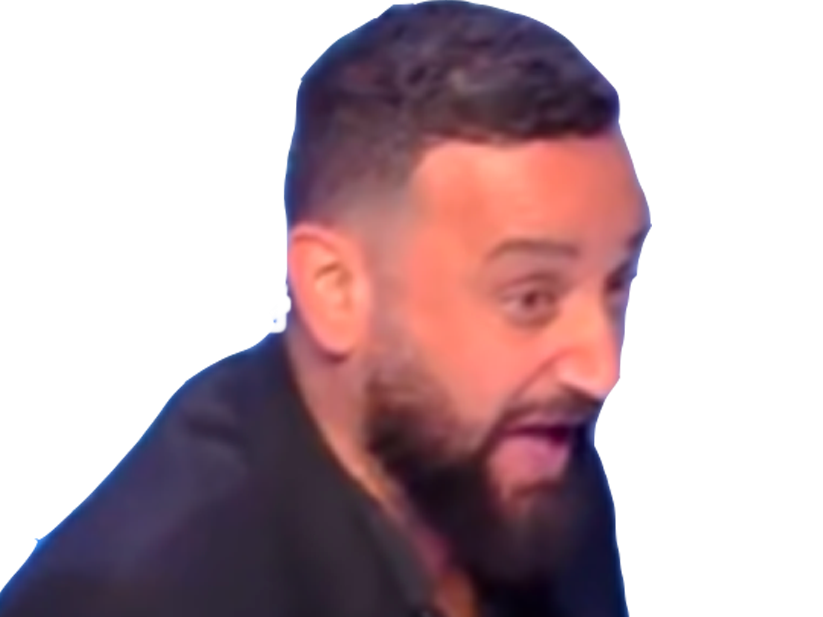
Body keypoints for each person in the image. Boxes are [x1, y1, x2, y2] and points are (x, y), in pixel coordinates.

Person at [0, 3, 646, 616]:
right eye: (531, 298)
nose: (597, 369)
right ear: (335, 289)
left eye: (614, 284)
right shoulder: (142, 596)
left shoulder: (526, 460)